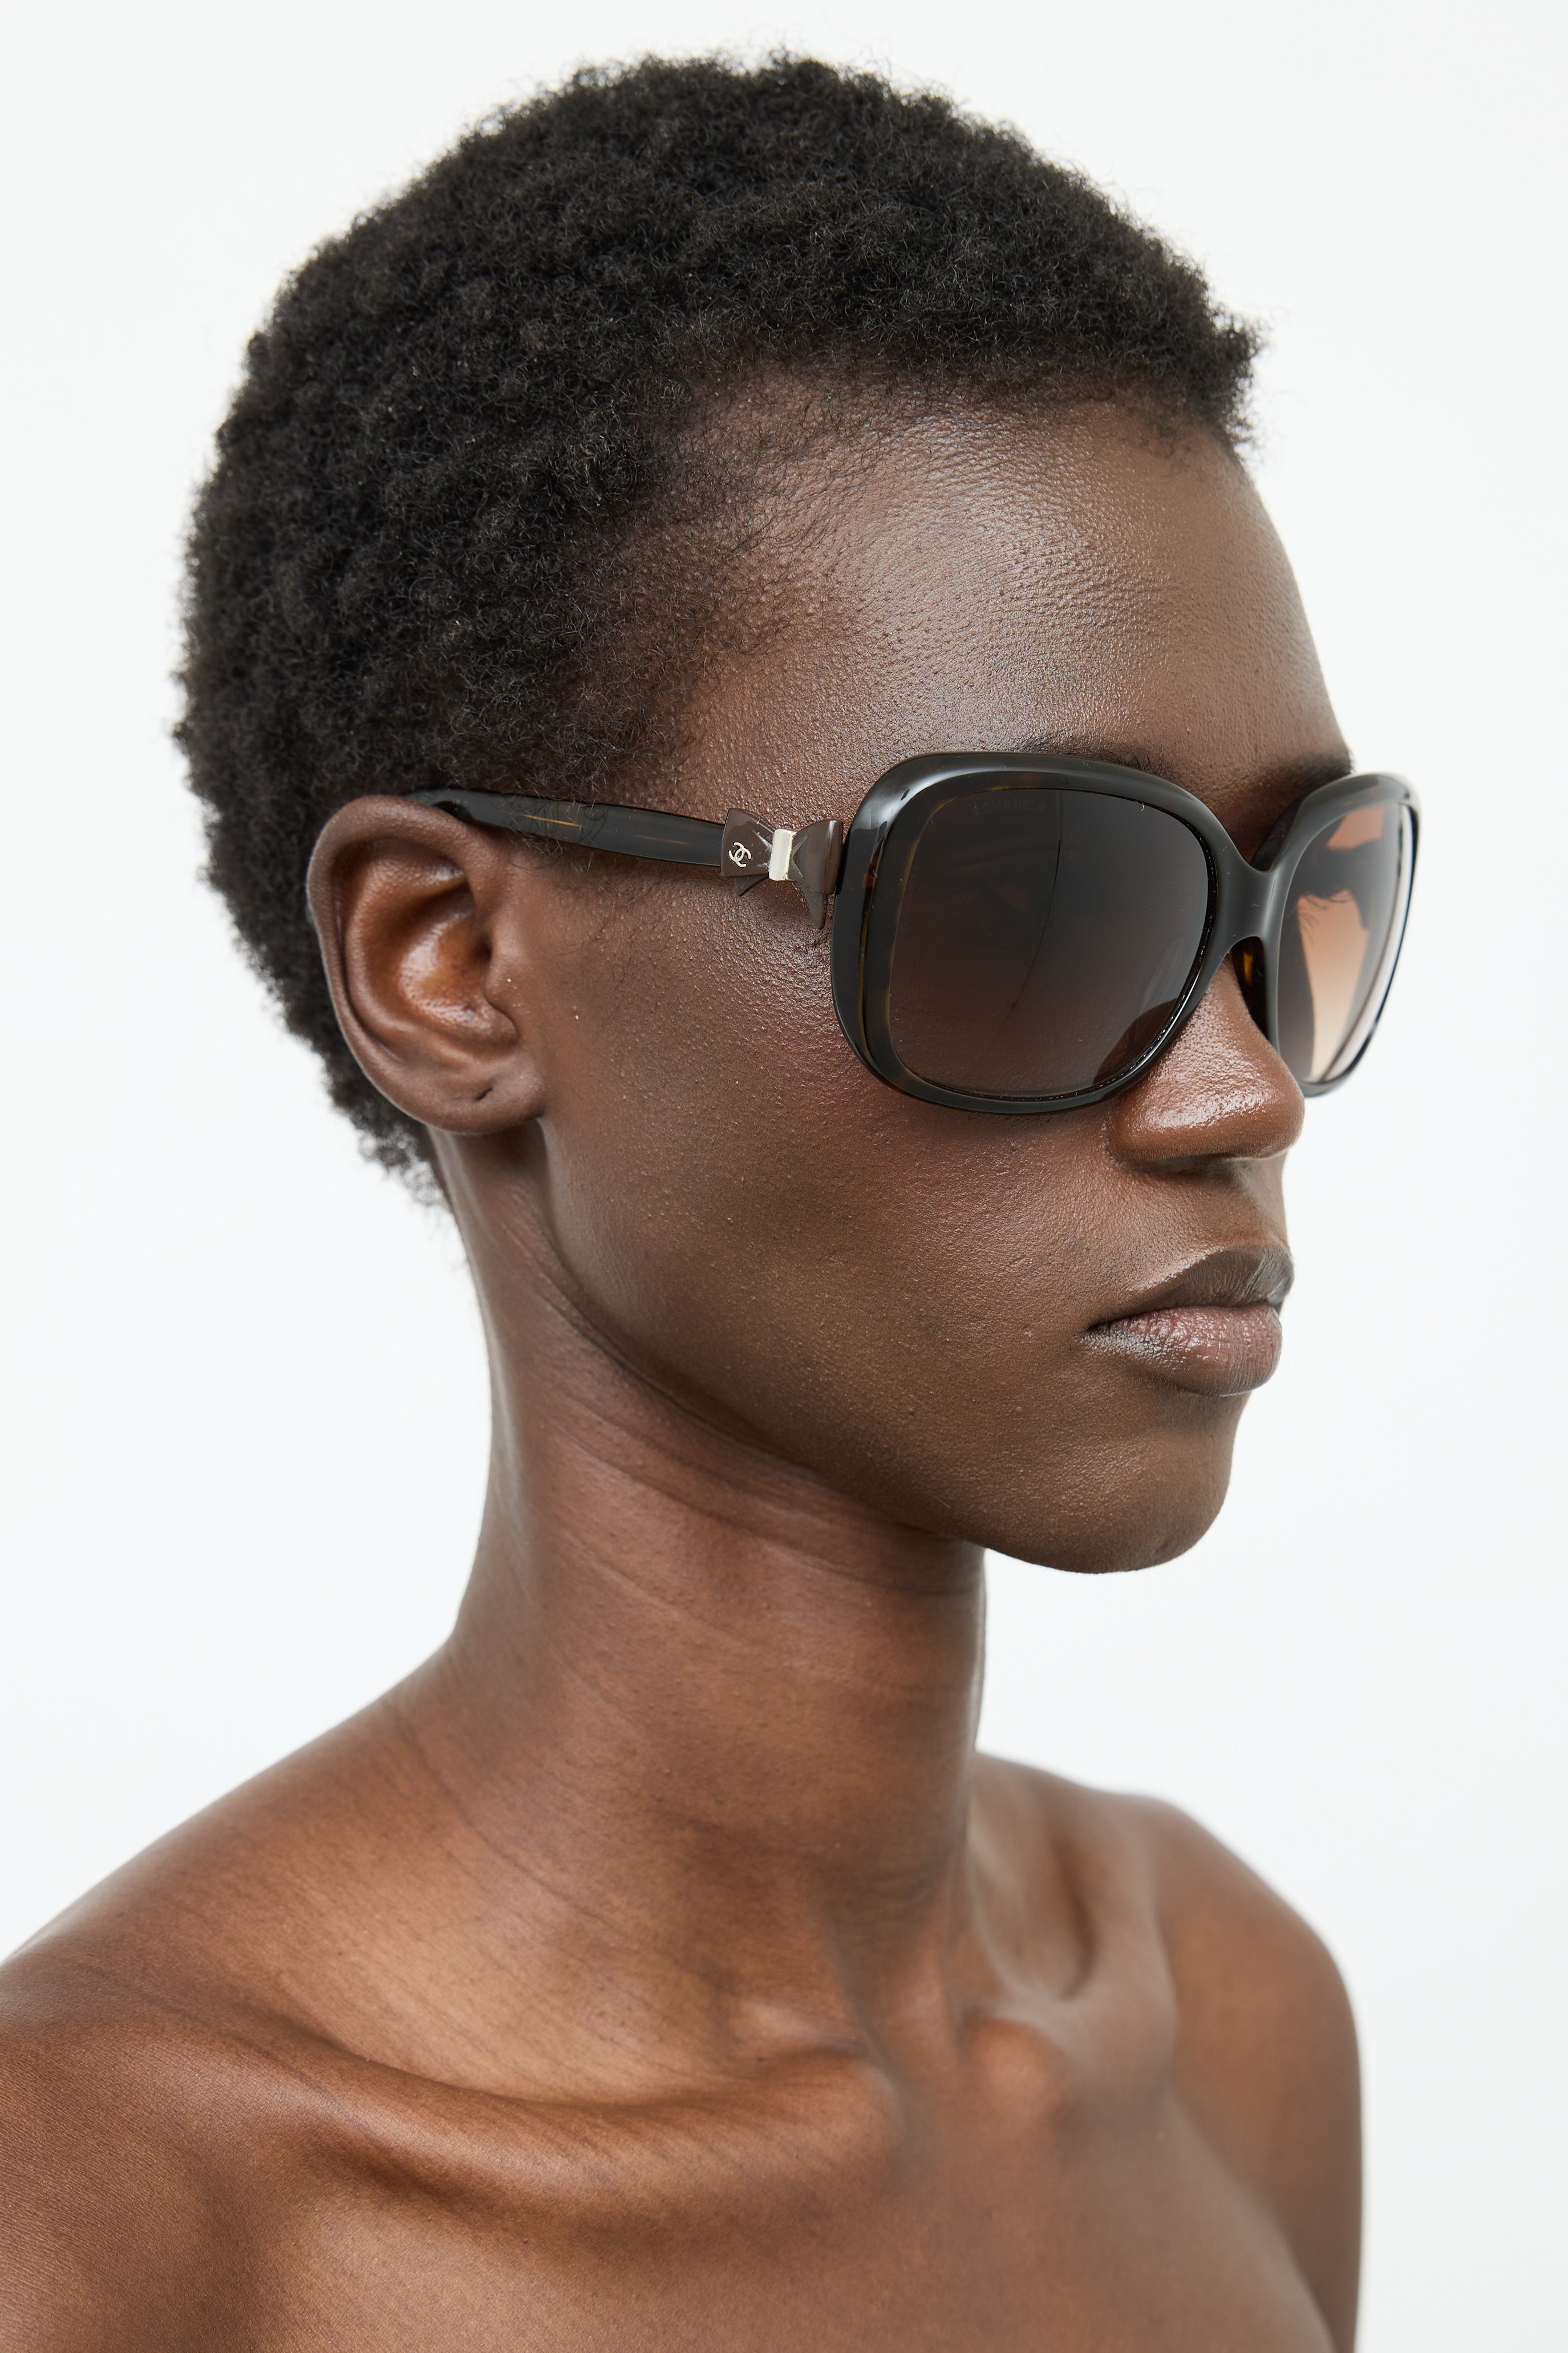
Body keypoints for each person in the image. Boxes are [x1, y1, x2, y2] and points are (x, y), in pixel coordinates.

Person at [0, 55, 1416, 2350]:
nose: (1243, 1082)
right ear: (449, 968)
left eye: (1295, 896)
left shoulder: (1230, 2027)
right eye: (1034, 897)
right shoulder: (117, 2225)